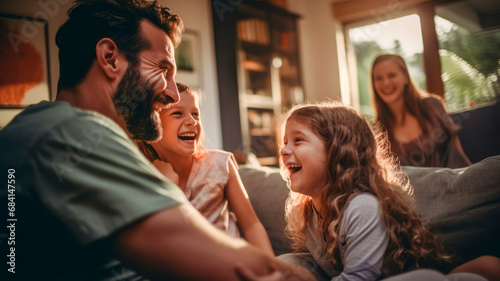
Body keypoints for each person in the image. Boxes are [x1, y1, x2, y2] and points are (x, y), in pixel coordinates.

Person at [0, 1, 315, 280]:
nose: (172, 92)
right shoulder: (72, 133)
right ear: (110, 59)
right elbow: (223, 262)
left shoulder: (34, 127)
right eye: (162, 69)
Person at [277, 101, 500, 281]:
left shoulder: (361, 207)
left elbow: (358, 277)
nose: (284, 150)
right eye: (285, 141)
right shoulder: (310, 213)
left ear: (338, 153)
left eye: (298, 140)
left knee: (432, 276)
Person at [137, 82, 274, 256]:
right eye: (177, 113)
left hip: (232, 262)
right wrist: (167, 187)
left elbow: (252, 225)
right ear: (152, 129)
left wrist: (272, 266)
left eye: (195, 114)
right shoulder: (145, 178)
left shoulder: (220, 164)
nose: (192, 121)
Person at [370, 54, 471, 168]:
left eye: (391, 75)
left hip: (457, 181)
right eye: (379, 78)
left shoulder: (432, 105)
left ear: (406, 78)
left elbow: (457, 149)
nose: (386, 83)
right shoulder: (377, 130)